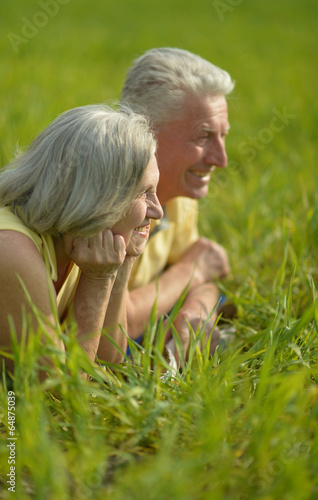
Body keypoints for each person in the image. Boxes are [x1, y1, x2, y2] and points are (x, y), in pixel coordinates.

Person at [0, 104, 163, 379]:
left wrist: (123, 263)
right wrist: (97, 282)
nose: (157, 210)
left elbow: (110, 361)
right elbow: (56, 392)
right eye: (144, 193)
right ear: (95, 197)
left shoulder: (81, 241)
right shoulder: (11, 249)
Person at [120, 47, 235, 361]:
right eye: (203, 137)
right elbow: (116, 324)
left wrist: (193, 314)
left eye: (223, 136)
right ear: (144, 132)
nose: (221, 159)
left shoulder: (177, 190)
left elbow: (204, 283)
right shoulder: (111, 204)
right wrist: (191, 269)